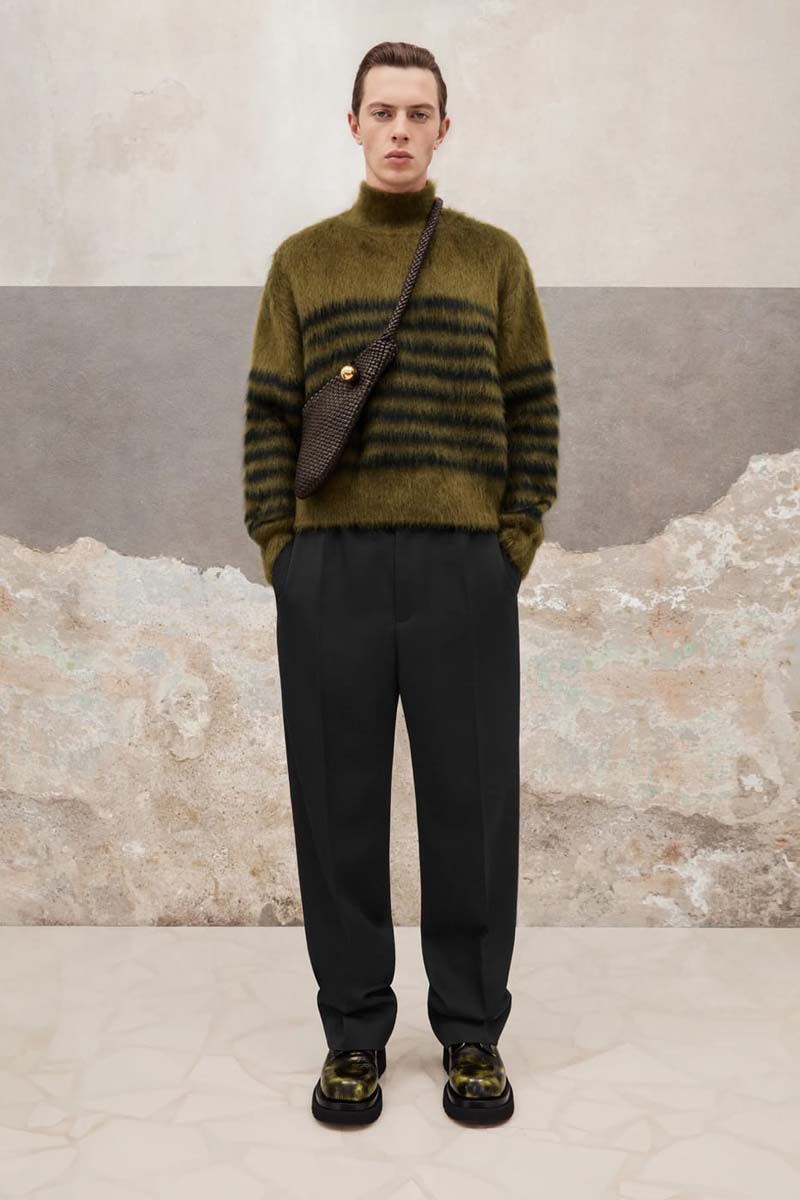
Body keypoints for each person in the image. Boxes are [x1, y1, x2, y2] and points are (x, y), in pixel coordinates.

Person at [242, 40, 559, 1127]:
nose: (399, 131)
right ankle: (352, 1035)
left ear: (442, 130)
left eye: (418, 114)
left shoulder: (491, 259)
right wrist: (281, 551)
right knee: (336, 808)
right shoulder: (302, 262)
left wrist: (510, 542)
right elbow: (269, 416)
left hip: (462, 568)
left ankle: (471, 1032)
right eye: (381, 112)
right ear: (352, 125)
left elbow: (533, 407)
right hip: (328, 569)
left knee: (471, 806)